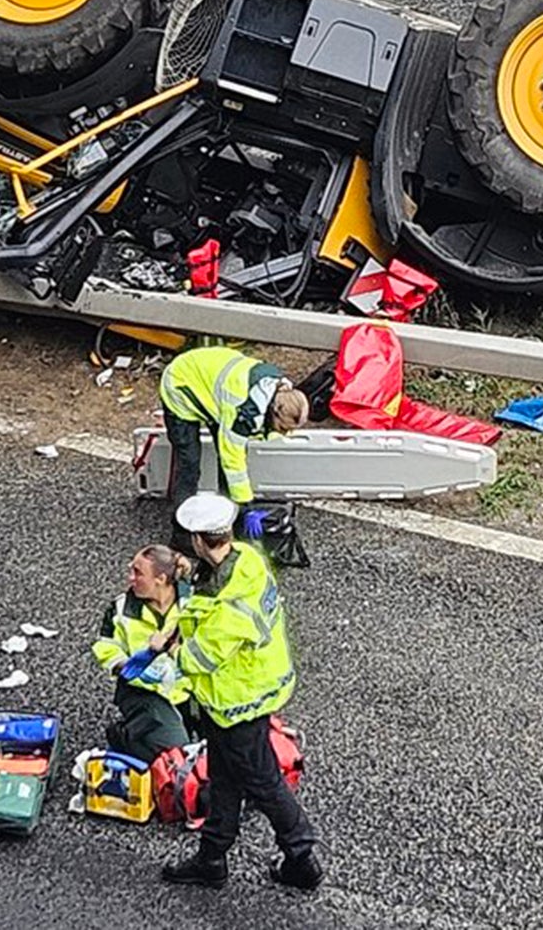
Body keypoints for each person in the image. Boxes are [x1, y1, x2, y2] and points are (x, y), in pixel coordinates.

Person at [150, 492, 321, 893]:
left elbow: (198, 658)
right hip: (242, 696)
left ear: (198, 540)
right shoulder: (246, 560)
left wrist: (167, 646)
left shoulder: (226, 610)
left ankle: (302, 858)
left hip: (237, 703)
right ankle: (212, 858)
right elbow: (212, 586)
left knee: (264, 783)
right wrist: (188, 574)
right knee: (224, 778)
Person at [158, 345, 309, 507]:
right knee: (189, 463)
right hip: (179, 385)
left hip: (207, 379)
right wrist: (245, 504)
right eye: (283, 428)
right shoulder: (242, 414)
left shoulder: (277, 389)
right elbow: (233, 462)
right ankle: (183, 516)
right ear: (274, 412)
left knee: (225, 454)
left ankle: (227, 509)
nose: (285, 434)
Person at [91, 544, 194, 763]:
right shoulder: (121, 608)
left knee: (218, 749)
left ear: (161, 579)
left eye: (137, 573)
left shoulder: (193, 602)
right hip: (142, 690)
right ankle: (125, 738)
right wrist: (127, 666)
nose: (130, 578)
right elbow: (105, 646)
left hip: (189, 688)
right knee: (177, 756)